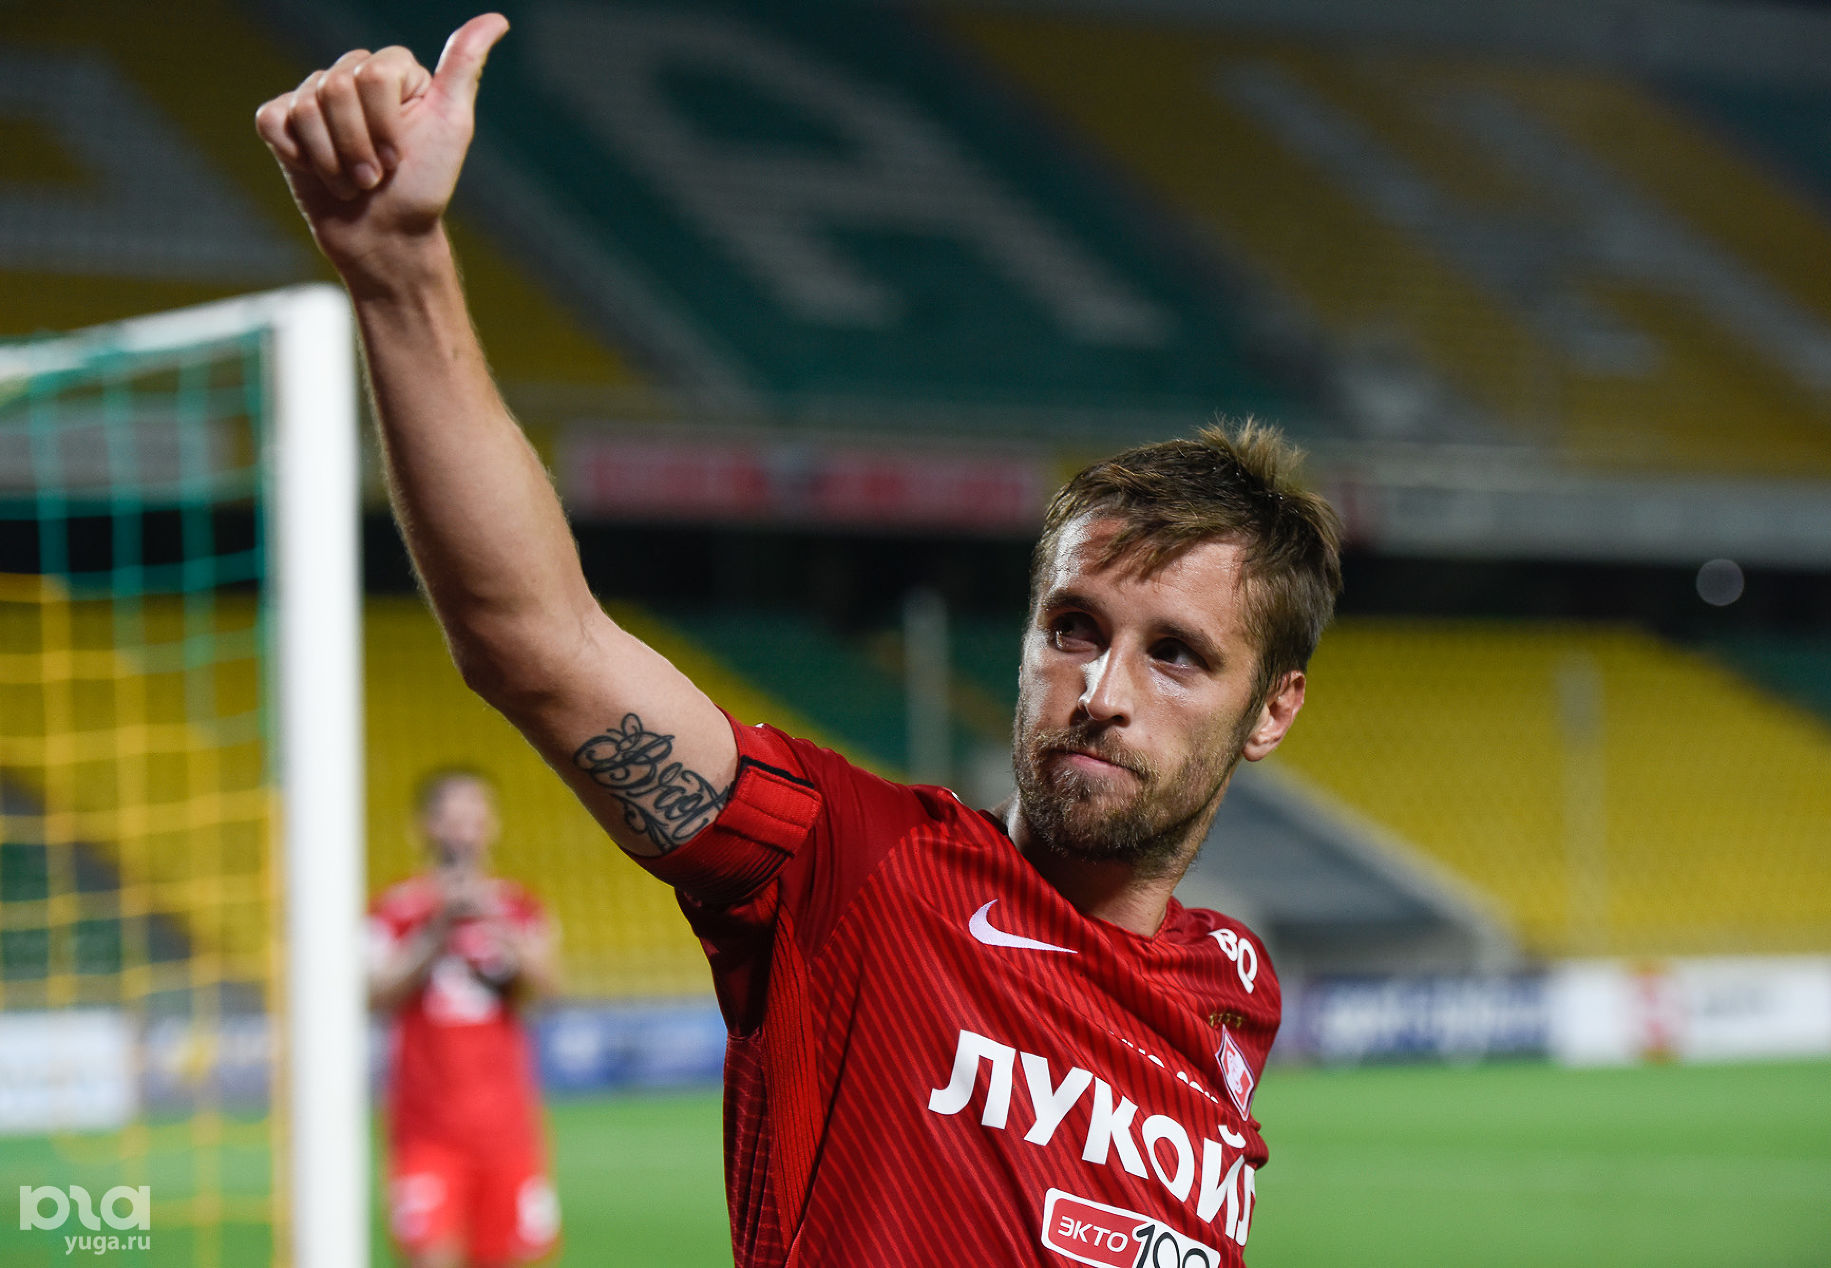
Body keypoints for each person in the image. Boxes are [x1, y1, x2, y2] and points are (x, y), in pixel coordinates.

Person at [258, 16, 1342, 1264]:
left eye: (1175, 653)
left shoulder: (1232, 987)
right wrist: (400, 271)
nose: (1099, 687)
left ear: (1273, 707)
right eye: (1072, 627)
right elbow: (535, 642)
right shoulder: (853, 869)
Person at [367, 769, 562, 1268]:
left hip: (506, 1129)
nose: (464, 831)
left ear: (491, 824)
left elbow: (549, 988)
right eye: (453, 818)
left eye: (475, 817)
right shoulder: (397, 909)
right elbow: (375, 995)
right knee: (431, 1257)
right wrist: (437, 930)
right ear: (427, 825)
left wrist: (496, 924)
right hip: (426, 1129)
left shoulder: (517, 907)